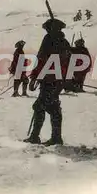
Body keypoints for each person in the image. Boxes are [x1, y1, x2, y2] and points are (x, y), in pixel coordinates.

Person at [24, 18, 71, 146]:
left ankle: (48, 138)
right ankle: (45, 137)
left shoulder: (51, 41)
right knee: (47, 107)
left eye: (48, 28)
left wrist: (35, 77)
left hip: (52, 80)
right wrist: (35, 77)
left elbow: (42, 59)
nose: (47, 30)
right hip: (51, 80)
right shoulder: (61, 41)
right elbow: (41, 60)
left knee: (46, 107)